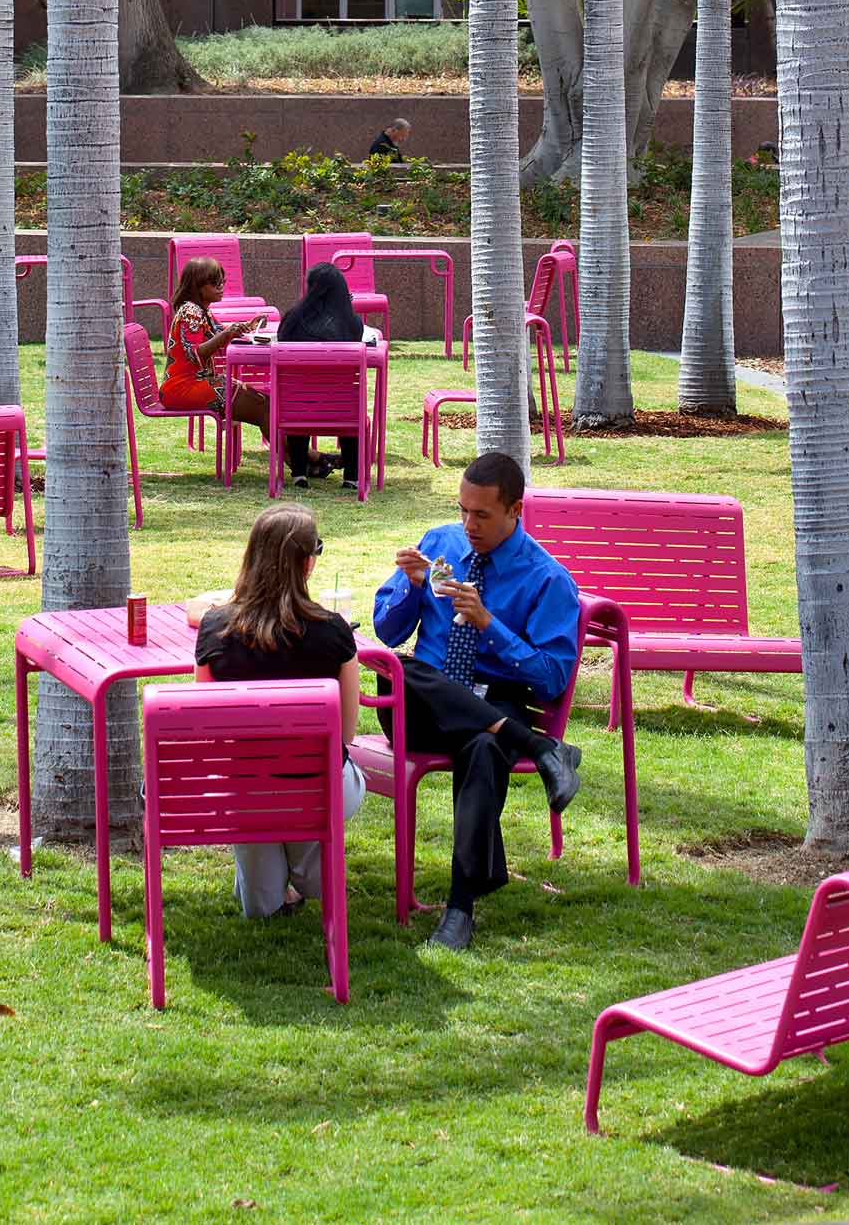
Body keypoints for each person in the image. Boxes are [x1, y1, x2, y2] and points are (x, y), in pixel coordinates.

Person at [372, 450, 582, 953]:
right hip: (423, 700)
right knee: (407, 668)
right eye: (463, 510)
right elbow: (386, 630)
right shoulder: (438, 543)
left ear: (515, 510)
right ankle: (536, 745)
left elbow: (552, 678)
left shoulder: (547, 579)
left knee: (485, 750)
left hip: (495, 700)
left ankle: (459, 910)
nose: (468, 524)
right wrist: (412, 588)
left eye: (482, 514)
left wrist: (491, 626)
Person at [194, 504, 366, 918]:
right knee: (316, 857)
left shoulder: (215, 630)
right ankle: (305, 873)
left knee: (260, 907)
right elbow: (346, 734)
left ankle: (279, 881)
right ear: (308, 564)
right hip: (318, 784)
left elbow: (207, 725)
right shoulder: (335, 632)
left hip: (246, 789)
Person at [161, 254, 270, 446]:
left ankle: (308, 462)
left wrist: (246, 326)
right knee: (263, 406)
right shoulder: (191, 312)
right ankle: (306, 462)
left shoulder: (202, 310)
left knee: (263, 403)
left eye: (222, 281)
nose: (221, 286)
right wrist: (227, 334)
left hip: (198, 384)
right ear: (198, 286)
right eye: (214, 283)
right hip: (182, 389)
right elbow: (195, 354)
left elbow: (220, 332)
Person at [276, 262, 363, 490]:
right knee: (351, 406)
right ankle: (352, 477)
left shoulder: (292, 321)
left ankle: (298, 474)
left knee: (299, 398)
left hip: (298, 407)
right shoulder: (353, 325)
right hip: (341, 409)